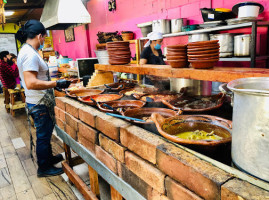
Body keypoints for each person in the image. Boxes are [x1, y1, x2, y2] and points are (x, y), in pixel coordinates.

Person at [16, 19, 71, 177]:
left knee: (45, 134)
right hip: (38, 103)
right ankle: (44, 168)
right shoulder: (29, 54)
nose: (44, 41)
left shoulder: (27, 51)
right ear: (39, 36)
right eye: (44, 38)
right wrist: (55, 83)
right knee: (43, 136)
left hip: (37, 102)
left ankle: (48, 159)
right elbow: (31, 82)